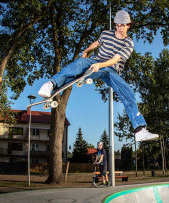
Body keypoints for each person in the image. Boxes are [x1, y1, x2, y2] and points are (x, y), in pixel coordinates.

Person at [38, 10, 159, 142]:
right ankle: (50, 84)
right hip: (96, 62)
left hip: (111, 70)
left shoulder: (128, 43)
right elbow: (97, 43)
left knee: (127, 91)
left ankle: (139, 130)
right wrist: (86, 50)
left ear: (128, 25)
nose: (119, 28)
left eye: (122, 26)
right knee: (79, 63)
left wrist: (100, 65)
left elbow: (115, 59)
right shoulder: (106, 33)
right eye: (117, 25)